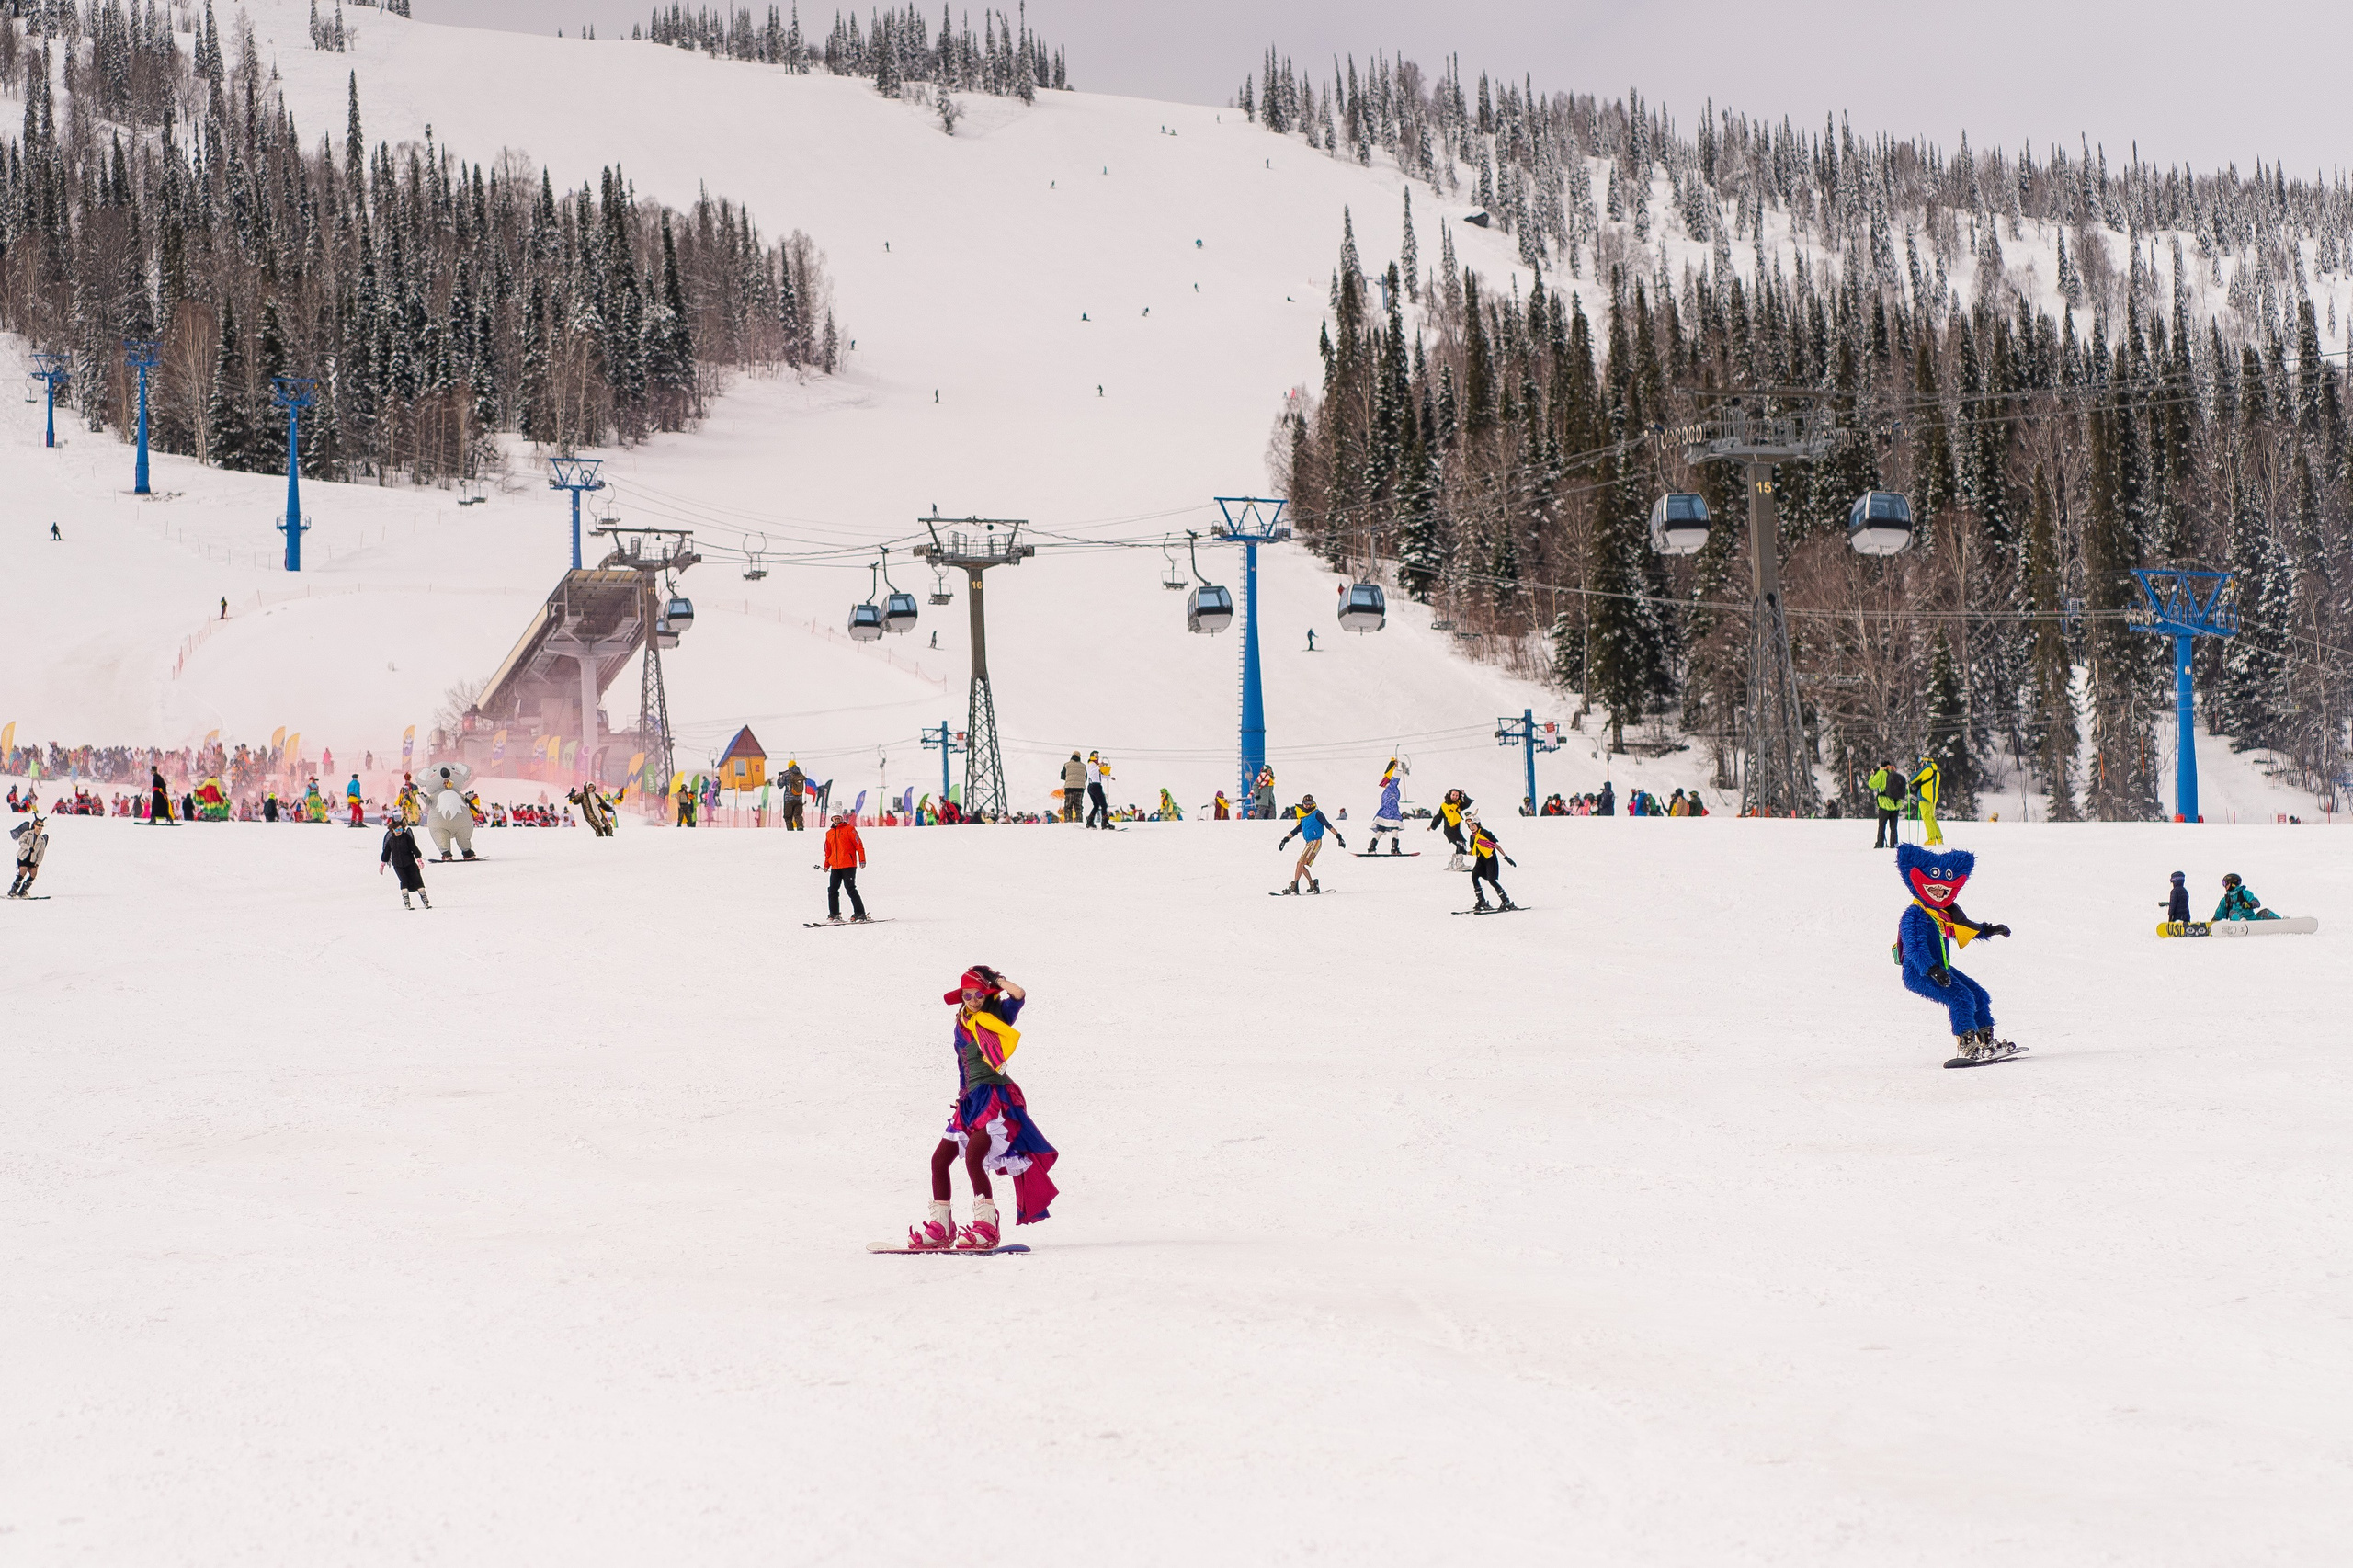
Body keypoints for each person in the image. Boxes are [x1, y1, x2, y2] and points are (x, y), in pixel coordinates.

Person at [904, 966, 1058, 1250]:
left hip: (994, 1096)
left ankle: (986, 1228)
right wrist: (963, 1097)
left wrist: (996, 980)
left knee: (974, 1158)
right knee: (939, 1161)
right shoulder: (961, 1023)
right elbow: (963, 1065)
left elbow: (1019, 994)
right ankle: (941, 1228)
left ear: (985, 994)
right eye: (967, 995)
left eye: (977, 994)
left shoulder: (996, 1015)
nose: (973, 1000)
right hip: (970, 1101)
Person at [1893, 845, 2015, 1062]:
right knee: (1961, 997)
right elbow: (1915, 947)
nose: (1939, 893)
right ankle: (1966, 1045)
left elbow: (1964, 928)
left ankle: (1986, 1041)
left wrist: (1988, 930)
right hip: (1919, 971)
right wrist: (1931, 969)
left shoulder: (1945, 913)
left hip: (1940, 968)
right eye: (1934, 889)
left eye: (1943, 890)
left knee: (1978, 995)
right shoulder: (1916, 915)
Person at [1276, 794, 1345, 892]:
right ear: (1303, 804)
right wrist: (1286, 839)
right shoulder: (1304, 816)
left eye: (1310, 803)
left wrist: (1338, 836)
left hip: (1315, 841)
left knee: (1300, 863)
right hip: (1309, 843)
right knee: (1301, 865)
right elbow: (1296, 829)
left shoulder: (1317, 814)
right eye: (1306, 804)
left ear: (1313, 804)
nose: (1308, 806)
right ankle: (1313, 884)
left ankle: (1294, 887)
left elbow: (1328, 825)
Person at [1465, 811, 1518, 911]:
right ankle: (1481, 900)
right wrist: (1464, 852)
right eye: (1469, 825)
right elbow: (1473, 850)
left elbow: (1495, 845)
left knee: (1492, 880)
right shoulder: (1472, 837)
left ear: (1477, 824)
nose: (1471, 827)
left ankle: (1505, 900)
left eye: (1473, 825)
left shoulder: (1485, 833)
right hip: (1481, 860)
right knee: (1474, 875)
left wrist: (1506, 857)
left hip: (1490, 860)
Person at [824, 810, 870, 923]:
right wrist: (826, 864)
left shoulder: (849, 829)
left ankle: (860, 913)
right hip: (835, 866)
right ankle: (834, 914)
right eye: (834, 817)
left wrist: (862, 859)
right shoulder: (829, 833)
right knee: (832, 889)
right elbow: (828, 851)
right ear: (832, 819)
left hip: (848, 865)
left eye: (838, 817)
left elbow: (859, 845)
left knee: (850, 889)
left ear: (842, 818)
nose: (837, 819)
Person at [380, 815, 430, 910]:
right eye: (397, 830)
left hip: (410, 863)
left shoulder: (406, 837)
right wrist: (383, 863)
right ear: (392, 830)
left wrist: (418, 858)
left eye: (400, 830)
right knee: (404, 881)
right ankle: (407, 902)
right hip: (398, 865)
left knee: (417, 880)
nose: (399, 832)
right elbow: (386, 853)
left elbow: (413, 847)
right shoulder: (391, 840)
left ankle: (425, 901)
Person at [1367, 758, 1406, 854]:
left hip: (1384, 813)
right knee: (1394, 829)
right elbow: (1395, 778)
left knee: (1381, 830)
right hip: (1392, 813)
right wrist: (1396, 768)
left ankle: (1371, 847)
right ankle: (1394, 849)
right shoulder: (1392, 788)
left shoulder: (1385, 792)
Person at [1427, 788, 1472, 869]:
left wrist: (1463, 795)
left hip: (1456, 830)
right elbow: (1439, 816)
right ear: (1450, 795)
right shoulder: (1444, 806)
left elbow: (1467, 803)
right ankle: (1459, 864)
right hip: (1449, 830)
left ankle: (1452, 864)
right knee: (1461, 844)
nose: (1455, 797)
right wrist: (1432, 826)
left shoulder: (1458, 804)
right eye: (1453, 795)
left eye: (1457, 795)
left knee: (1461, 844)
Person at [2213, 872, 2280, 923]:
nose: (2224, 886)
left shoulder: (2244, 893)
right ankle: (2242, 922)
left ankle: (2282, 922)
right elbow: (2219, 913)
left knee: (2265, 912)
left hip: (2252, 918)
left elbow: (2256, 902)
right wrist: (2213, 922)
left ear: (2233, 884)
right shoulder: (2226, 900)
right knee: (2232, 912)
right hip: (2237, 922)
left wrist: (2249, 904)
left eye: (2225, 883)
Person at [8, 813, 48, 898]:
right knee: (23, 871)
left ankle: (23, 891)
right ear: (34, 825)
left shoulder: (41, 839)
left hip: (32, 859)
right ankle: (13, 890)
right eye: (38, 825)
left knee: (33, 874)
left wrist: (37, 862)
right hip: (23, 857)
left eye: (41, 826)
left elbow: (41, 852)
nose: (40, 827)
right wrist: (28, 848)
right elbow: (21, 842)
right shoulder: (28, 833)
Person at [1869, 763, 1904, 848]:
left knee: (1882, 825)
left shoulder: (1881, 773)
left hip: (1885, 803)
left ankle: (1880, 843)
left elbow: (1872, 784)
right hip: (1896, 804)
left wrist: (1873, 775)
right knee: (1894, 826)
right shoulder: (1895, 774)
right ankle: (1894, 843)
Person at [1911, 756, 1944, 846]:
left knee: (1926, 817)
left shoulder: (1926, 769)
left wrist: (1916, 772)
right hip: (1933, 797)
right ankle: (1939, 838)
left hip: (1924, 795)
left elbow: (1913, 778)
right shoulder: (1936, 772)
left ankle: (1931, 839)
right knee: (1932, 817)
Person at [1086, 751, 1111, 829]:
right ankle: (1105, 823)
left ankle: (1090, 822)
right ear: (1092, 757)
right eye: (1096, 756)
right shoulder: (1091, 764)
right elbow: (1091, 773)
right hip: (1095, 786)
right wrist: (1099, 767)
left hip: (1093, 786)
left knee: (1096, 805)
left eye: (1098, 756)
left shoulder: (1095, 765)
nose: (1097, 758)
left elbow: (1099, 776)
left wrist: (1109, 777)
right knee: (1104, 805)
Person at [780, 757, 807, 830]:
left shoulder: (786, 774)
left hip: (788, 800)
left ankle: (790, 830)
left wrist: (780, 778)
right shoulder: (800, 774)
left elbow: (780, 785)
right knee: (798, 815)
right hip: (798, 798)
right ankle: (800, 827)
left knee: (788, 816)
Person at [1061, 751, 1086, 824]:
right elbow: (1085, 778)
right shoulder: (1083, 766)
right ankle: (1079, 820)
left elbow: (1062, 776)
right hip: (1080, 789)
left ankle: (1068, 820)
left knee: (1068, 806)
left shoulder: (1067, 765)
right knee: (1078, 806)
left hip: (1069, 788)